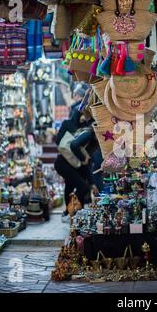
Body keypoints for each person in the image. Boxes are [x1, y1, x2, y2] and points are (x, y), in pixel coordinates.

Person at [54, 84, 103, 223]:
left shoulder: (79, 129)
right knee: (81, 186)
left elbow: (60, 143)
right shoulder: (83, 130)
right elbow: (78, 152)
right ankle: (72, 212)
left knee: (71, 185)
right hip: (65, 163)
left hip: (71, 163)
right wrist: (81, 157)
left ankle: (73, 213)